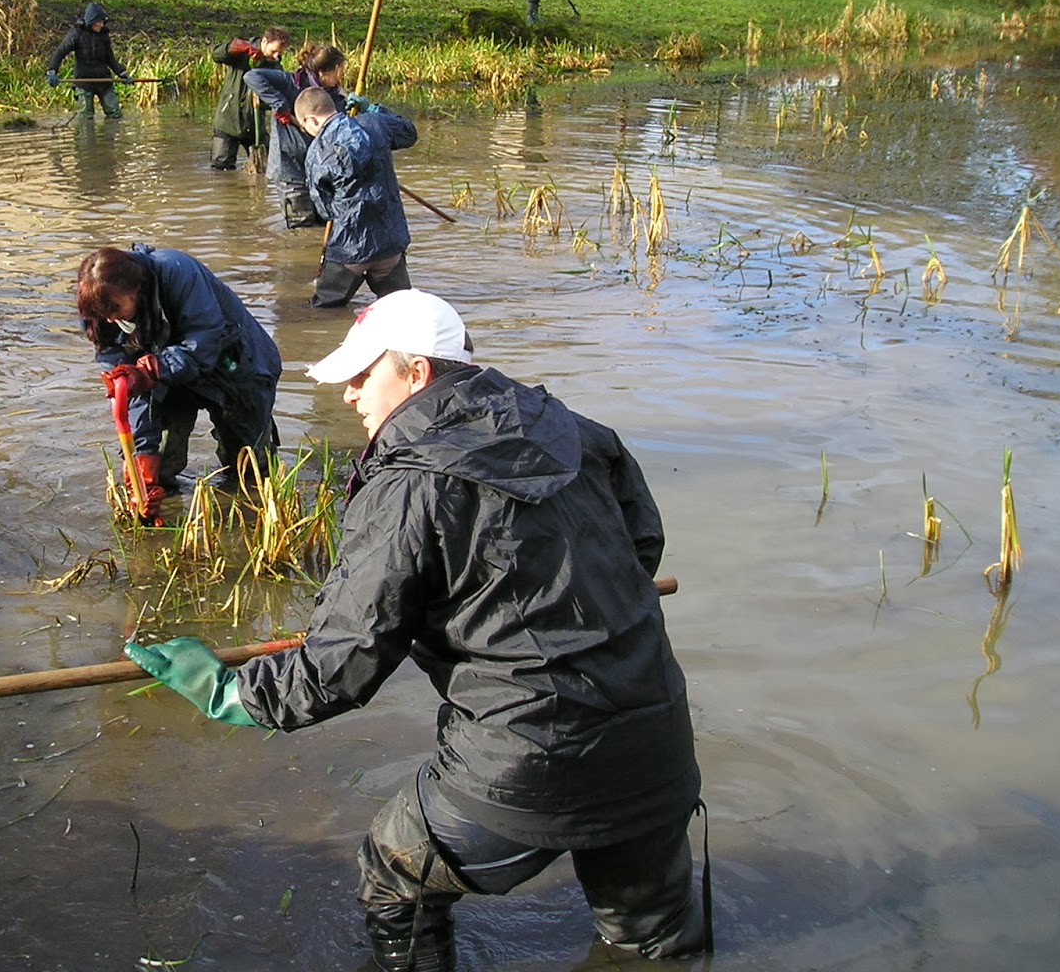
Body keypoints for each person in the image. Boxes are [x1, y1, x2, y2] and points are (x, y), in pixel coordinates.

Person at [126, 290, 708, 971]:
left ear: (418, 374)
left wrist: (226, 689)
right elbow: (641, 549)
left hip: (525, 757)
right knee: (653, 941)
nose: (348, 394)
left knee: (395, 872)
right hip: (657, 734)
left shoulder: (406, 483)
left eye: (363, 373)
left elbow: (337, 671)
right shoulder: (579, 431)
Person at [76, 244, 282, 522]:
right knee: (153, 468)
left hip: (233, 366)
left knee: (250, 468)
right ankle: (160, 522)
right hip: (163, 376)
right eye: (103, 315)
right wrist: (142, 459)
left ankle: (252, 523)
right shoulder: (100, 313)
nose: (110, 319)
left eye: (114, 309)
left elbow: (204, 343)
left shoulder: (178, 272)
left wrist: (150, 372)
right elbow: (129, 389)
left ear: (136, 290)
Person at [295, 86, 417, 309]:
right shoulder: (375, 122)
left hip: (349, 249)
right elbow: (409, 133)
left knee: (323, 314)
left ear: (311, 119)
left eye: (304, 125)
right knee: (402, 310)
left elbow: (324, 209)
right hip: (390, 243)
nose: (306, 131)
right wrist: (374, 109)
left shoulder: (316, 152)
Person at [245, 43, 347, 229]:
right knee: (301, 225)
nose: (341, 76)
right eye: (339, 71)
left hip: (319, 170)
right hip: (290, 169)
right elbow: (252, 76)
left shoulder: (336, 96)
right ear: (323, 72)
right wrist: (281, 105)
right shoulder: (291, 82)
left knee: (327, 223)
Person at [209, 27, 290, 171]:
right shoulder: (242, 53)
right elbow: (216, 55)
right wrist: (231, 48)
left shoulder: (275, 67)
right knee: (220, 170)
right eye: (274, 51)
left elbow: (275, 96)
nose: (277, 56)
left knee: (265, 169)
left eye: (280, 53)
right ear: (264, 42)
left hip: (255, 125)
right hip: (227, 121)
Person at [46, 3, 134, 119]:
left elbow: (110, 59)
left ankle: (111, 134)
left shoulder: (103, 35)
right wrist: (52, 71)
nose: (101, 25)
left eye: (103, 22)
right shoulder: (77, 34)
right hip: (84, 81)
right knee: (85, 118)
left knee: (115, 114)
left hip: (104, 80)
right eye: (99, 22)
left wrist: (122, 73)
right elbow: (60, 52)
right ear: (91, 21)